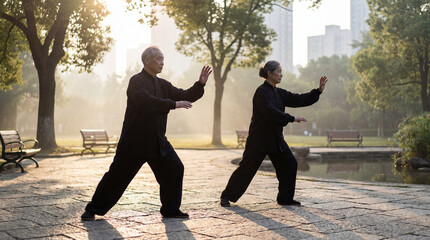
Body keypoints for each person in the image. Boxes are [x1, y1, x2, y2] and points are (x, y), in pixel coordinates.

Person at [81, 46, 212, 220]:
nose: (162, 62)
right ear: (146, 60)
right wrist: (173, 104)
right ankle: (92, 209)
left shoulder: (163, 84)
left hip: (157, 141)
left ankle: (170, 210)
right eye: (158, 58)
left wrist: (200, 84)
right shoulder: (136, 81)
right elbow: (146, 102)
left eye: (163, 58)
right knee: (116, 177)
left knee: (174, 168)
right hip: (134, 142)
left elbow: (185, 95)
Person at [220, 60, 327, 207]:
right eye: (279, 71)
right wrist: (292, 118)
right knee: (246, 169)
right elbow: (270, 112)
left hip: (276, 139)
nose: (281, 75)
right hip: (259, 140)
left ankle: (285, 198)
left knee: (290, 164)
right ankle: (226, 196)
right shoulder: (261, 92)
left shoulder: (280, 93)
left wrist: (317, 91)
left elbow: (298, 98)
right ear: (269, 74)